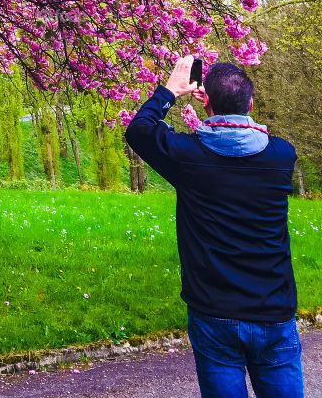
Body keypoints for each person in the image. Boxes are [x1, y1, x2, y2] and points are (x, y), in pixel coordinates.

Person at [124, 54, 303, 398]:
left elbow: (140, 130)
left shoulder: (187, 157)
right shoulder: (281, 156)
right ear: (251, 103)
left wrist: (170, 90)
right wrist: (218, 107)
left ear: (207, 105)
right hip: (274, 310)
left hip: (214, 312)